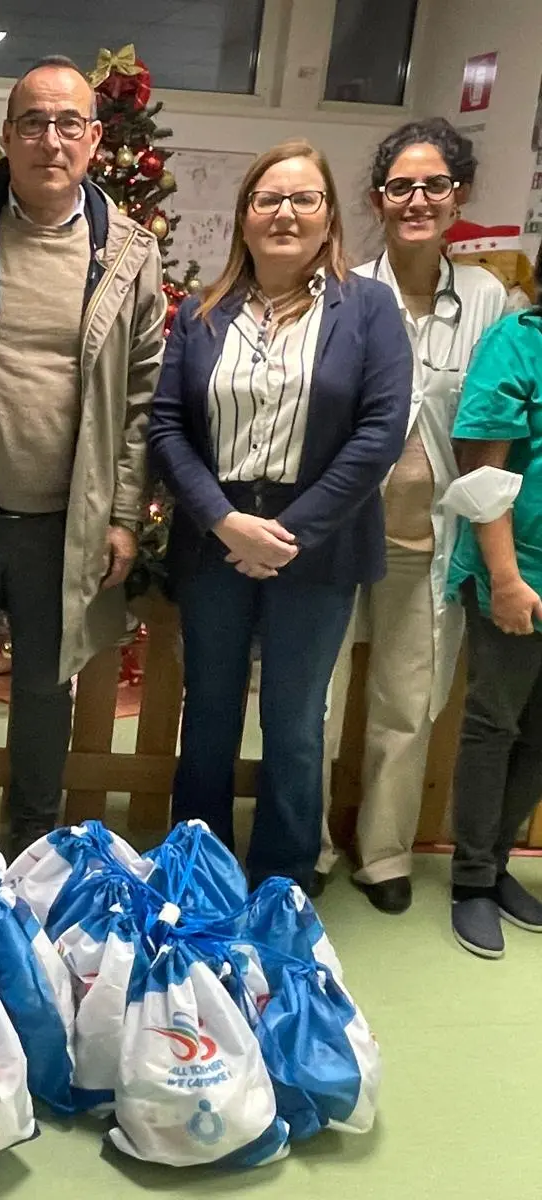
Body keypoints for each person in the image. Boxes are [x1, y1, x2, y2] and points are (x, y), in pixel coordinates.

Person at [0, 55, 166, 857]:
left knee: (50, 685)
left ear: (94, 139)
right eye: (34, 123)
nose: (51, 139)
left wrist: (121, 516)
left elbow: (143, 396)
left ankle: (35, 841)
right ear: (7, 138)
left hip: (65, 523)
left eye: (68, 123)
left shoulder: (127, 254)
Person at [149, 139, 412, 890]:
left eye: (304, 198)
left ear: (329, 217)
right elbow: (167, 425)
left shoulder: (367, 308)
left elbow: (380, 430)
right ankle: (195, 868)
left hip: (318, 549)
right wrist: (225, 522)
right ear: (245, 217)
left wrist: (289, 533)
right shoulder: (203, 312)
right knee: (207, 718)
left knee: (296, 725)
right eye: (269, 199)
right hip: (216, 539)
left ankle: (283, 877)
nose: (285, 213)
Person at [316, 120, 506, 913]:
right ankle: (311, 846)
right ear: (377, 199)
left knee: (406, 699)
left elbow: (497, 424)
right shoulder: (348, 291)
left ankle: (385, 855)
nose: (418, 200)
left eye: (435, 186)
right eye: (401, 187)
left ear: (458, 198)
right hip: (341, 533)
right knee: (316, 700)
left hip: (431, 540)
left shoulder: (491, 299)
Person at [446, 245, 542, 959]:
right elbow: (483, 476)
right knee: (496, 723)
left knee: (540, 736)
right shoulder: (515, 344)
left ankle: (502, 863)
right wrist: (504, 579)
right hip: (519, 572)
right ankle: (473, 881)